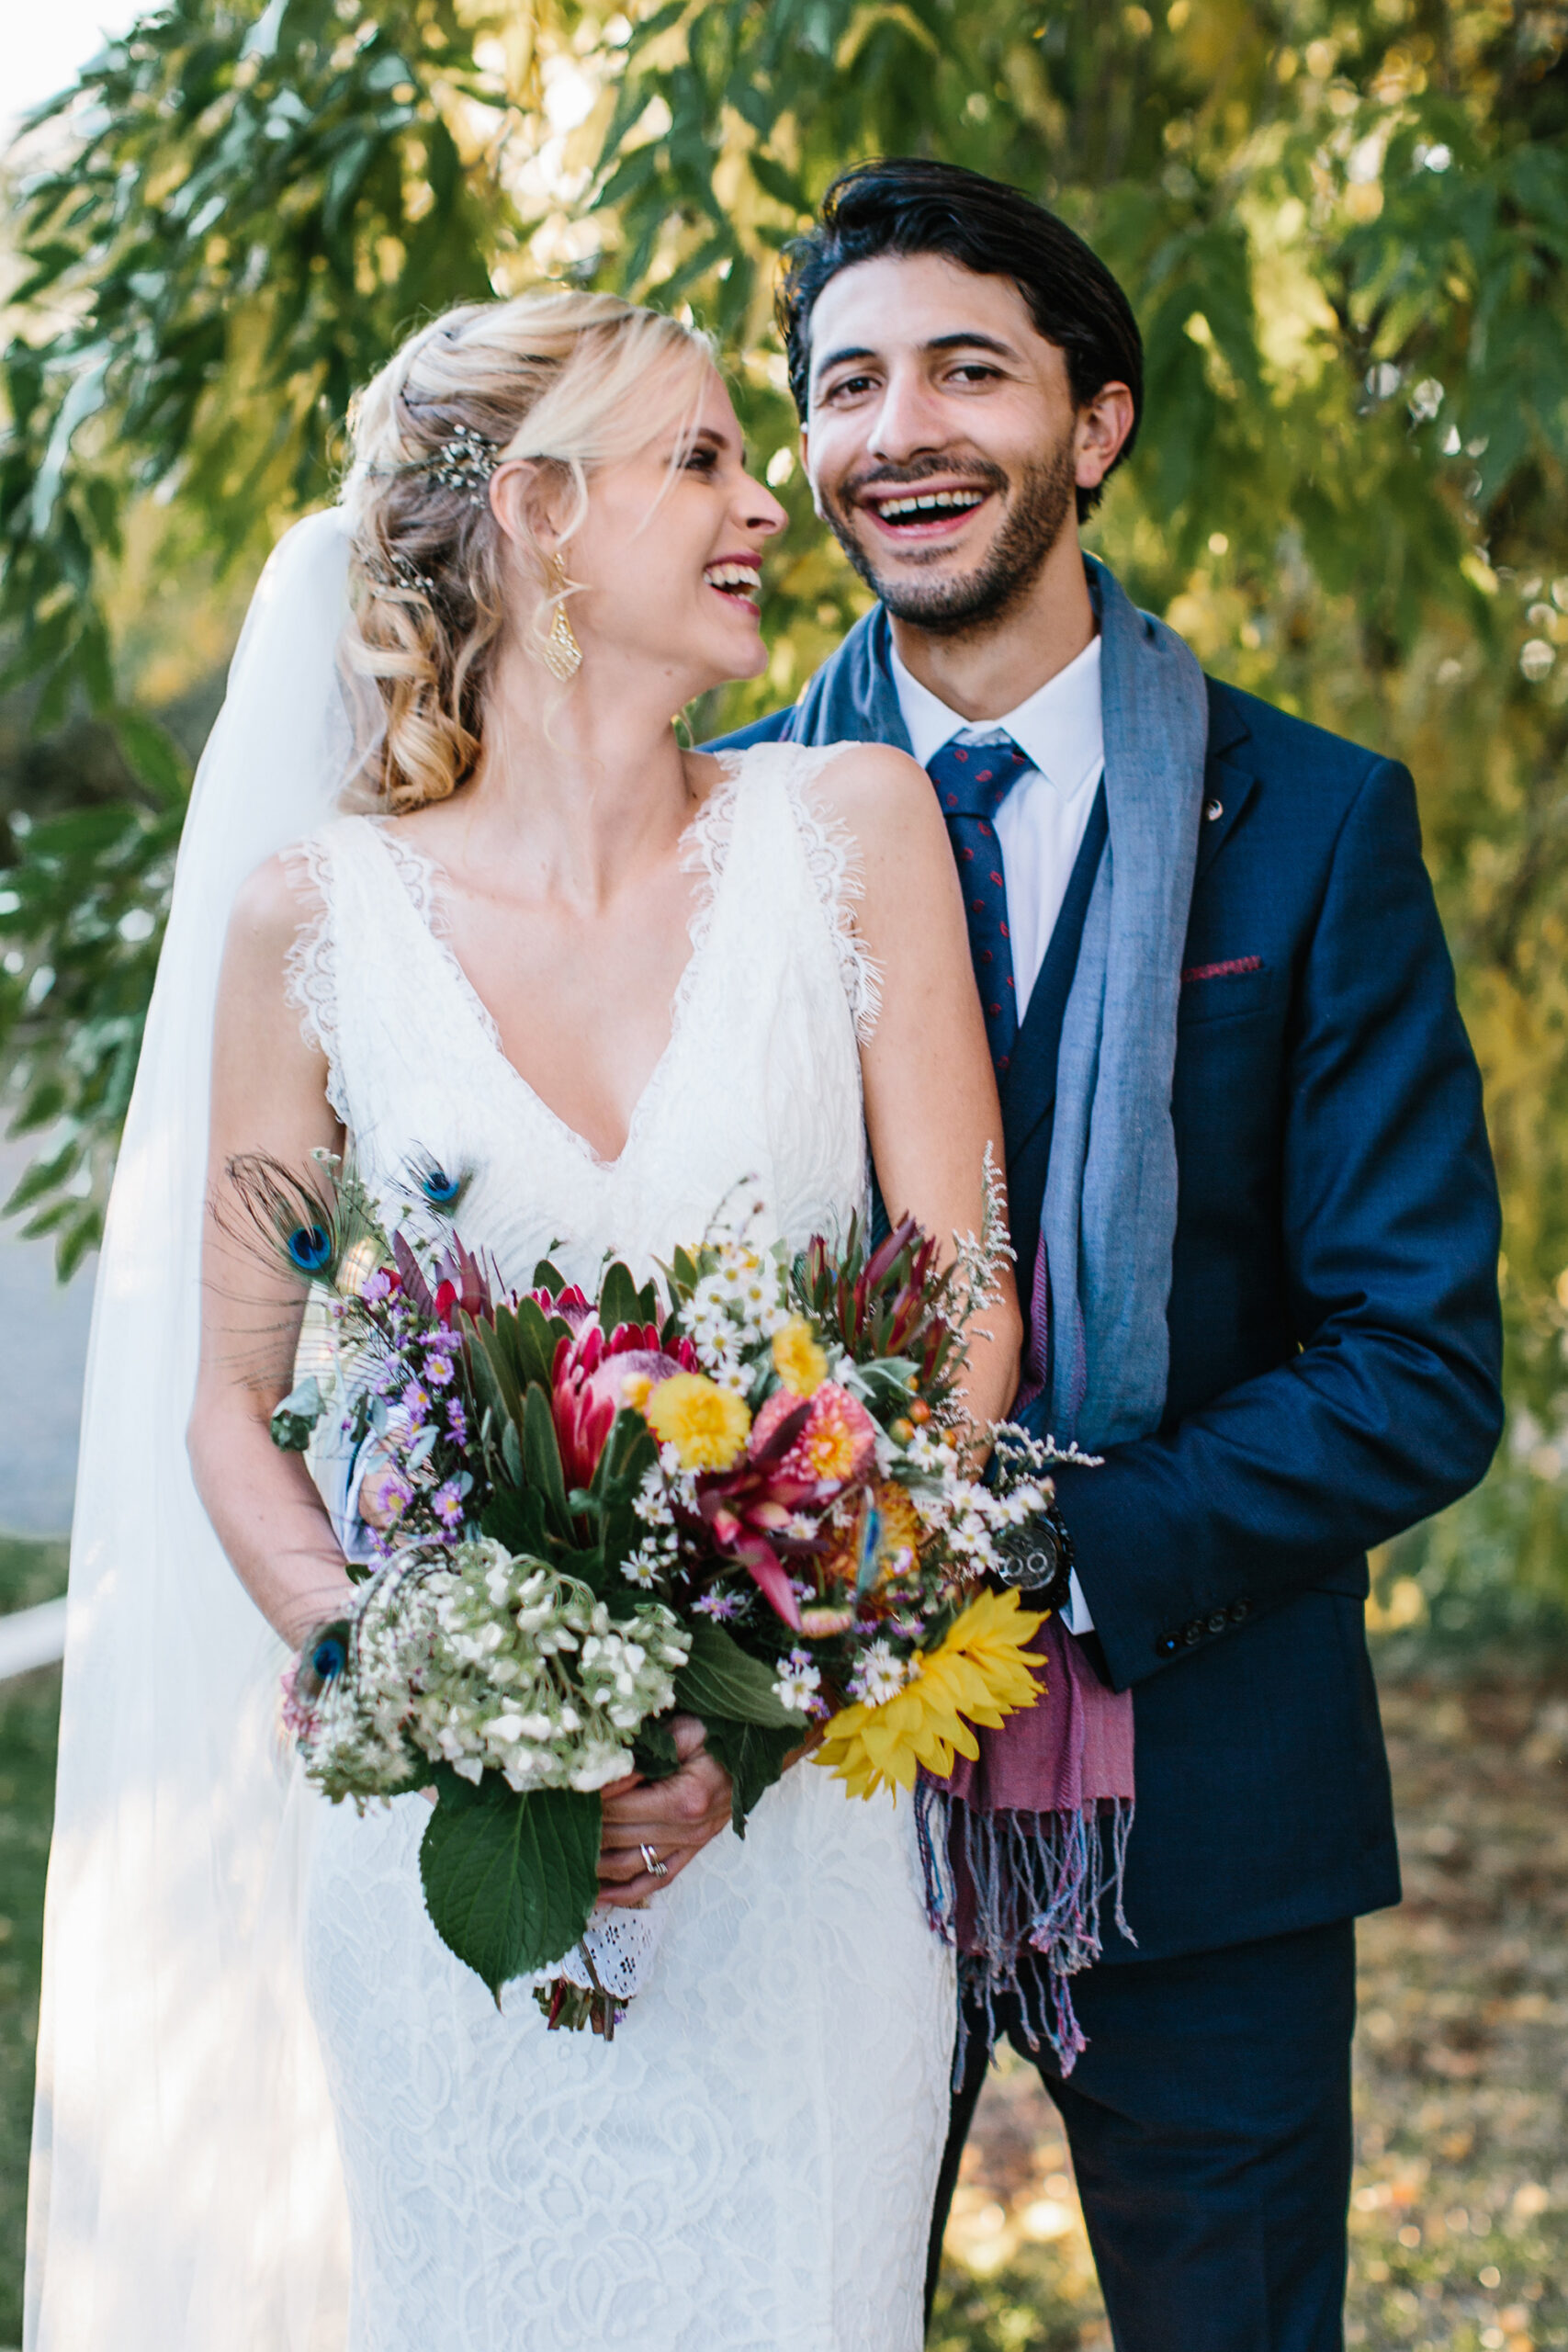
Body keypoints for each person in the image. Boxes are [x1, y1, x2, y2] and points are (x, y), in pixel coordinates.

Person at [27, 289, 1021, 2351]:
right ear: (542, 518)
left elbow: (961, 1301)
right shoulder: (315, 919)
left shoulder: (851, 834)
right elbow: (235, 1399)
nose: (771, 503)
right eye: (705, 463)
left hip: (805, 1856)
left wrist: (764, 1683)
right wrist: (417, 1678)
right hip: (455, 1887)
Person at [709, 158, 1505, 2352]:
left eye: (968, 368)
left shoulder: (1314, 820)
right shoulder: (712, 829)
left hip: (1206, 1805)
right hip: (798, 1801)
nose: (899, 433)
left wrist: (1034, 1547)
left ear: (1097, 421)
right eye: (845, 384)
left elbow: (1414, 1356)